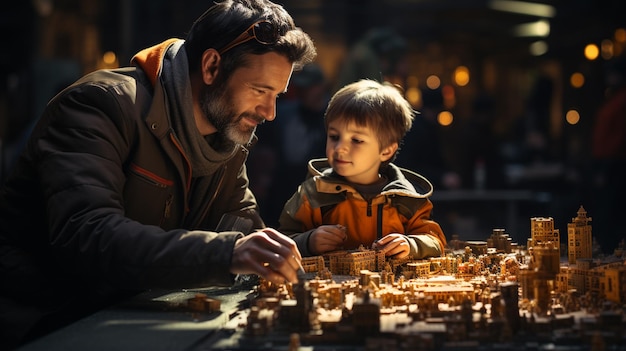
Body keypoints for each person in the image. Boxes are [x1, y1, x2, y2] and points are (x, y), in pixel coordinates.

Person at [0, 0, 316, 348]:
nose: (270, 112)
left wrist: (305, 245)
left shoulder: (226, 135)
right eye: (260, 90)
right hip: (50, 323)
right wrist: (226, 253)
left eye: (277, 95)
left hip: (135, 317)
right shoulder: (101, 105)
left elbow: (242, 231)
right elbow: (87, 235)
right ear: (211, 66)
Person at [278, 79, 446, 259]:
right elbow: (281, 241)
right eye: (334, 136)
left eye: (356, 140)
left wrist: (412, 245)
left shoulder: (408, 198)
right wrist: (308, 241)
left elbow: (435, 241)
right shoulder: (312, 194)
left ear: (386, 150)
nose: (340, 147)